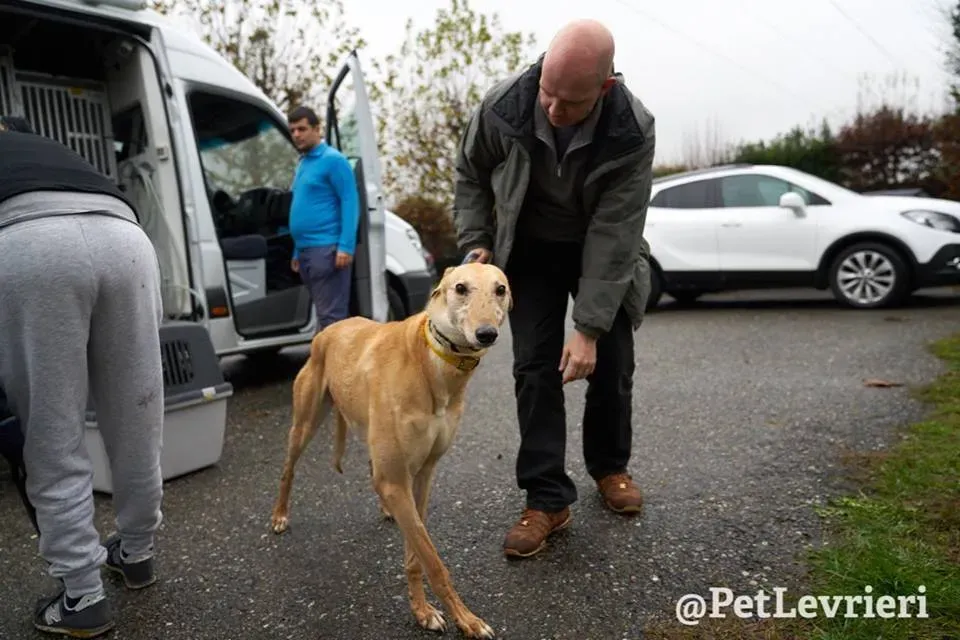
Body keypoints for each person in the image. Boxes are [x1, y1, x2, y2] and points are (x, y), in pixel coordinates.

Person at [452, 19, 656, 558]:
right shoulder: (505, 106)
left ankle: (610, 467)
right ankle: (547, 496)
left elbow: (616, 232)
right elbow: (470, 172)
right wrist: (477, 241)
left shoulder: (632, 129)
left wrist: (588, 328)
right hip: (531, 250)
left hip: (601, 251)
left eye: (569, 102)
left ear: (604, 87)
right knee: (533, 368)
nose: (552, 109)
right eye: (547, 91)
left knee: (610, 363)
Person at [0, 114, 165, 637]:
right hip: (125, 237)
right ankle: (136, 554)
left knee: (52, 430)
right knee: (137, 416)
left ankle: (82, 595)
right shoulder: (39, 142)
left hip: (26, 242)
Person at [286, 105, 361, 331]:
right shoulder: (304, 163)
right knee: (324, 316)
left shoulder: (334, 160)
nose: (296, 135)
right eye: (292, 130)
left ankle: (338, 366)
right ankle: (326, 364)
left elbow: (350, 201)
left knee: (332, 320)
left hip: (327, 250)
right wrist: (297, 250)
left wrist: (346, 246)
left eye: (302, 129)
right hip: (307, 251)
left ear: (317, 129)